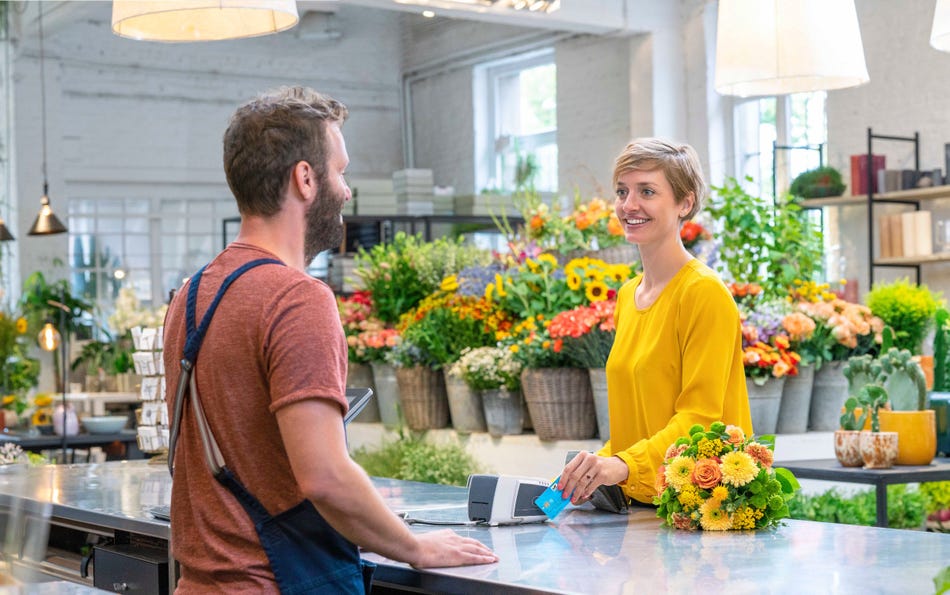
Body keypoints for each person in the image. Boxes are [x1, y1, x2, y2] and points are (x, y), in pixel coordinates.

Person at [163, 86, 497, 593]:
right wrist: (416, 545)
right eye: (339, 171)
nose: (345, 189)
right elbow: (324, 476)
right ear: (304, 178)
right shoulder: (297, 298)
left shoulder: (189, 296)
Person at [556, 138, 753, 507]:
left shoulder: (703, 294)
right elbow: (637, 424)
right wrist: (595, 468)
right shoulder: (628, 297)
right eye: (622, 191)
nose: (629, 205)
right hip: (644, 507)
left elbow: (701, 419)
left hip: (701, 510)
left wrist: (621, 465)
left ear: (685, 202)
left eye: (647, 191)